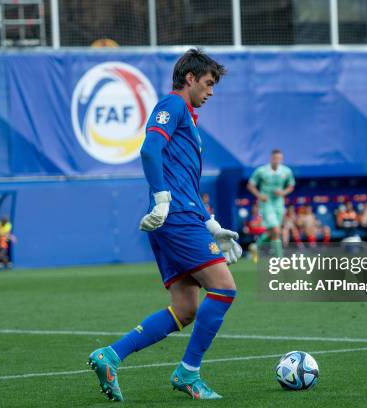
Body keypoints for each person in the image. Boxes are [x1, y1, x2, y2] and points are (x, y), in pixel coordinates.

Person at [88, 49, 241, 402]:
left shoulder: (186, 116)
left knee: (186, 308)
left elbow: (183, 177)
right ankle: (188, 372)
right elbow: (149, 150)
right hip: (175, 217)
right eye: (208, 83)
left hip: (182, 216)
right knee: (223, 289)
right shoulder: (171, 106)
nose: (211, 91)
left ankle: (110, 356)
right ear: (190, 79)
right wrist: (161, 197)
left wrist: (211, 223)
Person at [247, 149, 295, 257]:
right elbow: (250, 185)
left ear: (281, 159)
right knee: (276, 229)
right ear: (271, 158)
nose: (277, 160)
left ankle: (256, 247)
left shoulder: (286, 171)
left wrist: (283, 192)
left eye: (279, 158)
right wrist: (260, 195)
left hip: (279, 204)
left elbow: (291, 186)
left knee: (272, 232)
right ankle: (280, 258)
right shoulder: (261, 171)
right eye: (275, 158)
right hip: (266, 203)